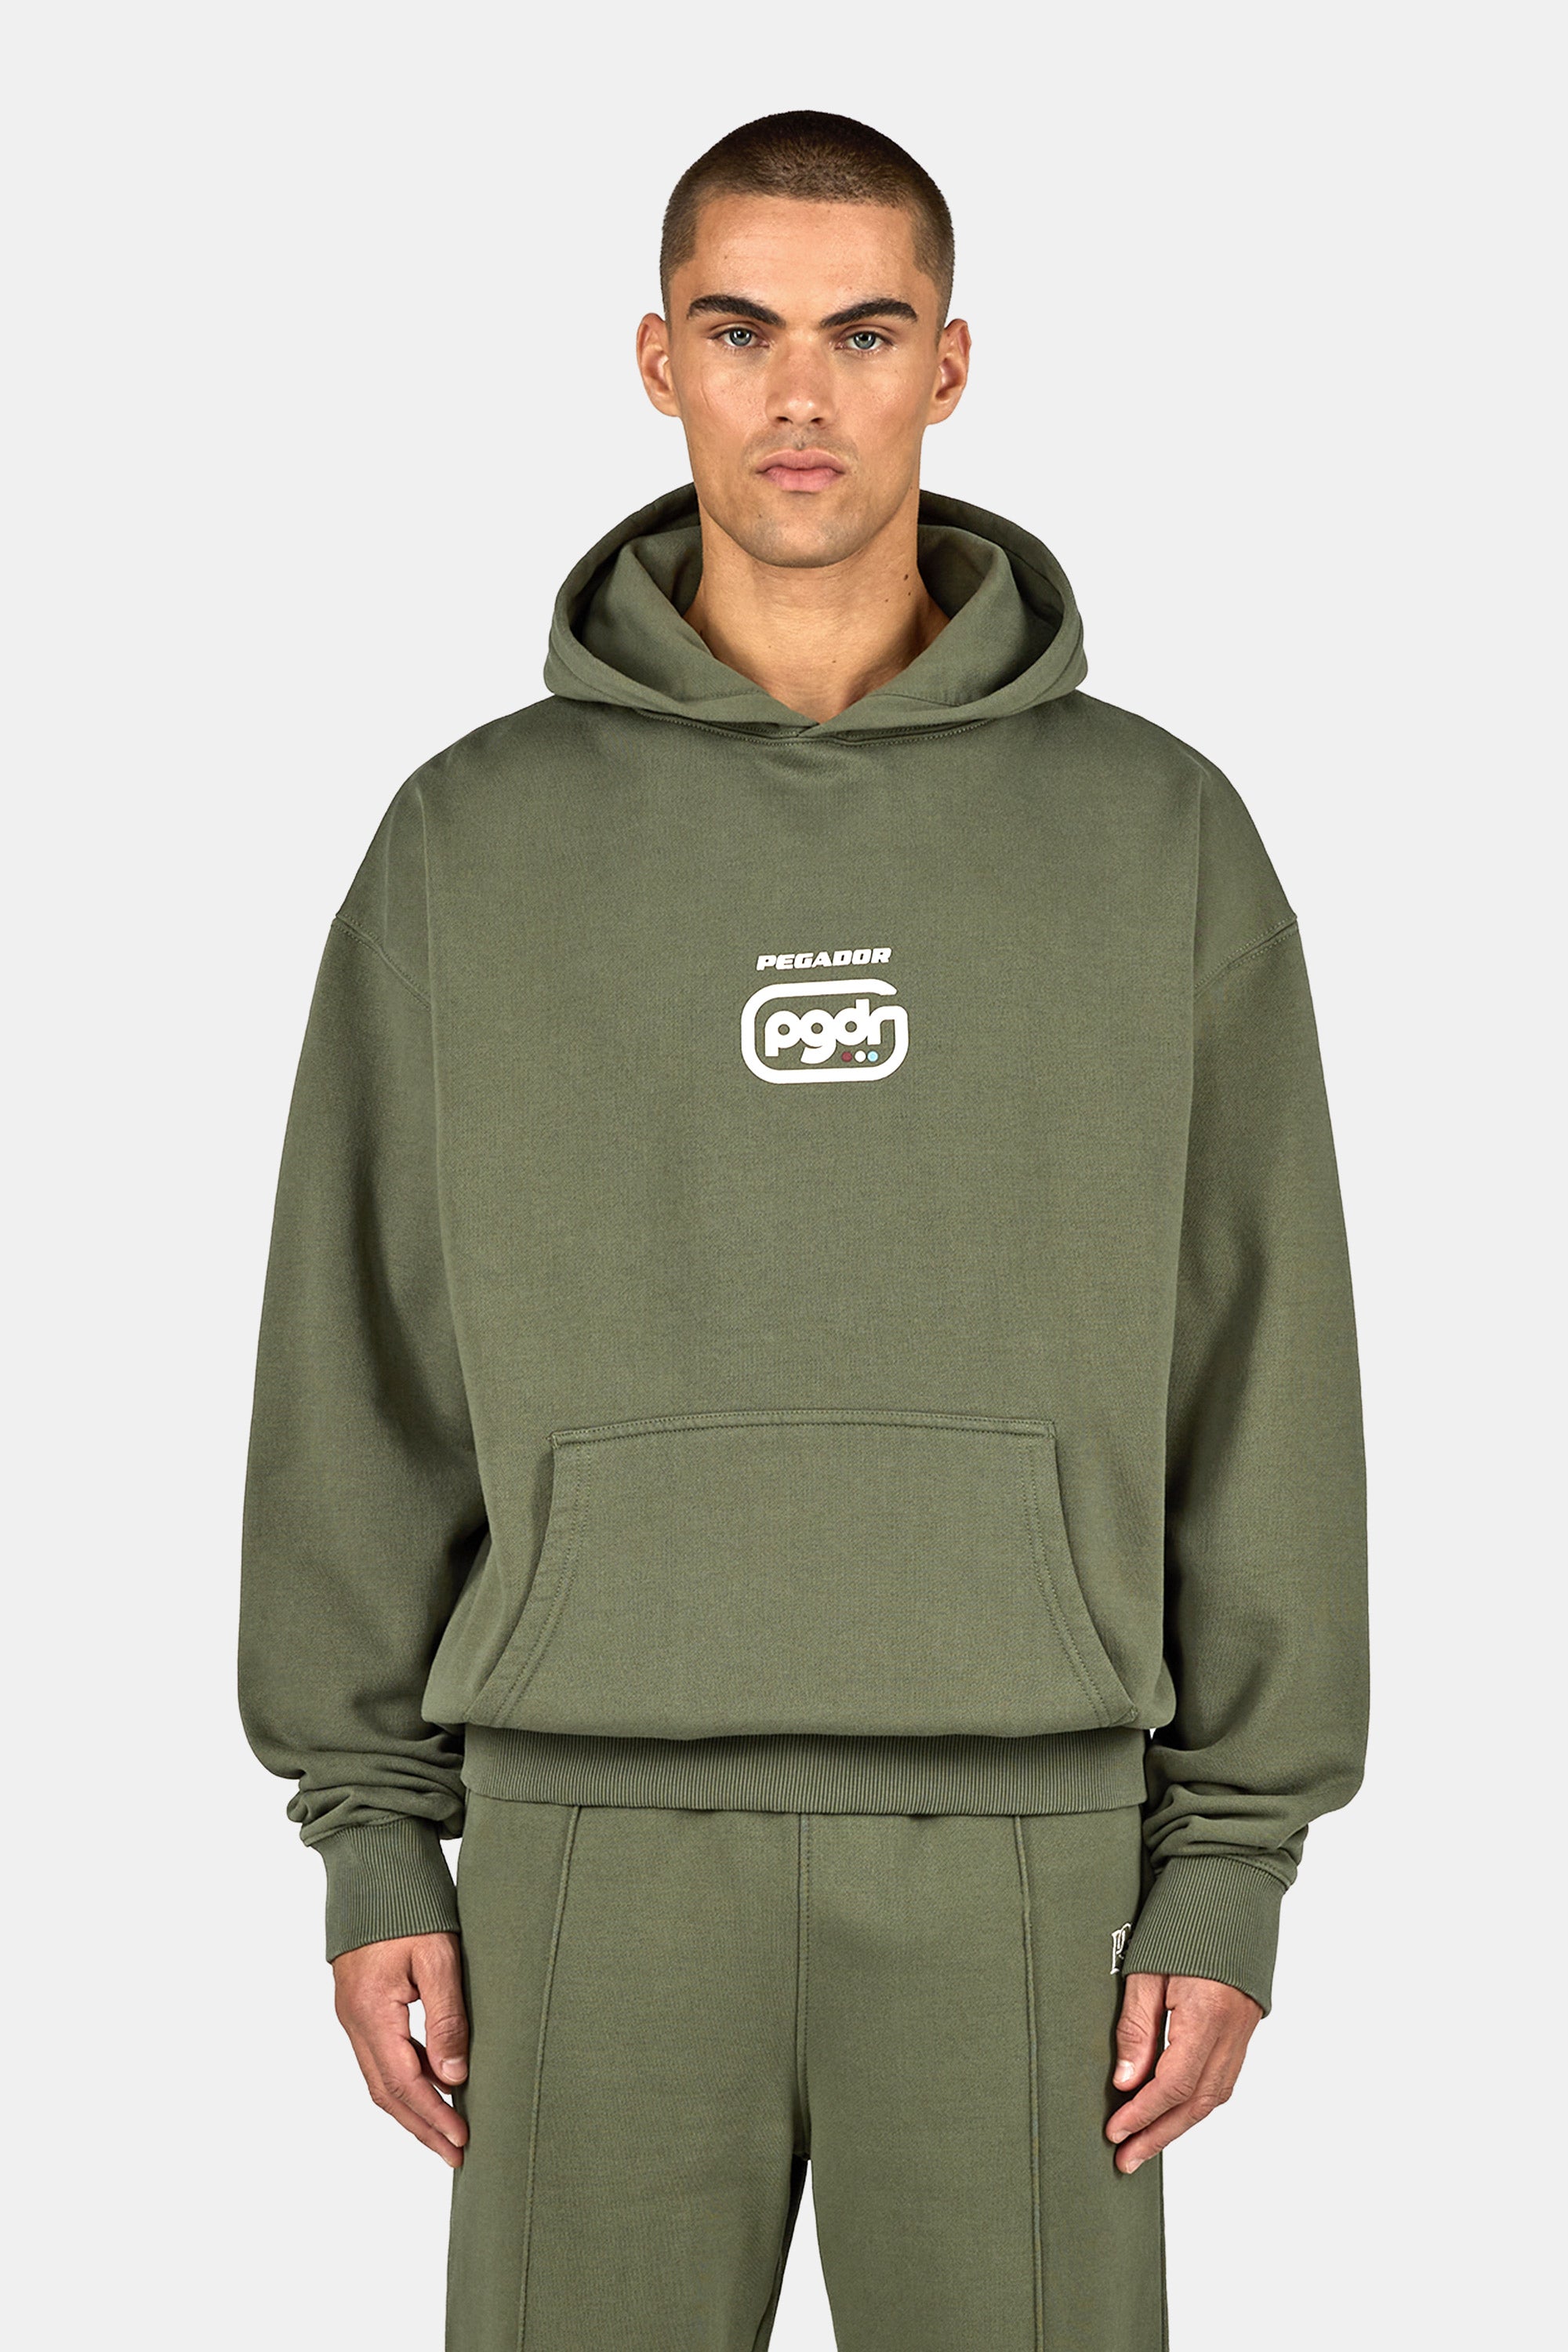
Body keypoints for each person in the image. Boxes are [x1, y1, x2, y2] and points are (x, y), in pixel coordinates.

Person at [238, 109, 1368, 2351]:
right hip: (583, 1840)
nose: (800, 395)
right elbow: (356, 1353)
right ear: (658, 359)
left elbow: (1264, 1359)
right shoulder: (472, 840)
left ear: (949, 364)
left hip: (1032, 1847)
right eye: (742, 329)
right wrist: (373, 1833)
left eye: (862, 334)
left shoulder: (1156, 835)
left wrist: (1232, 1864)